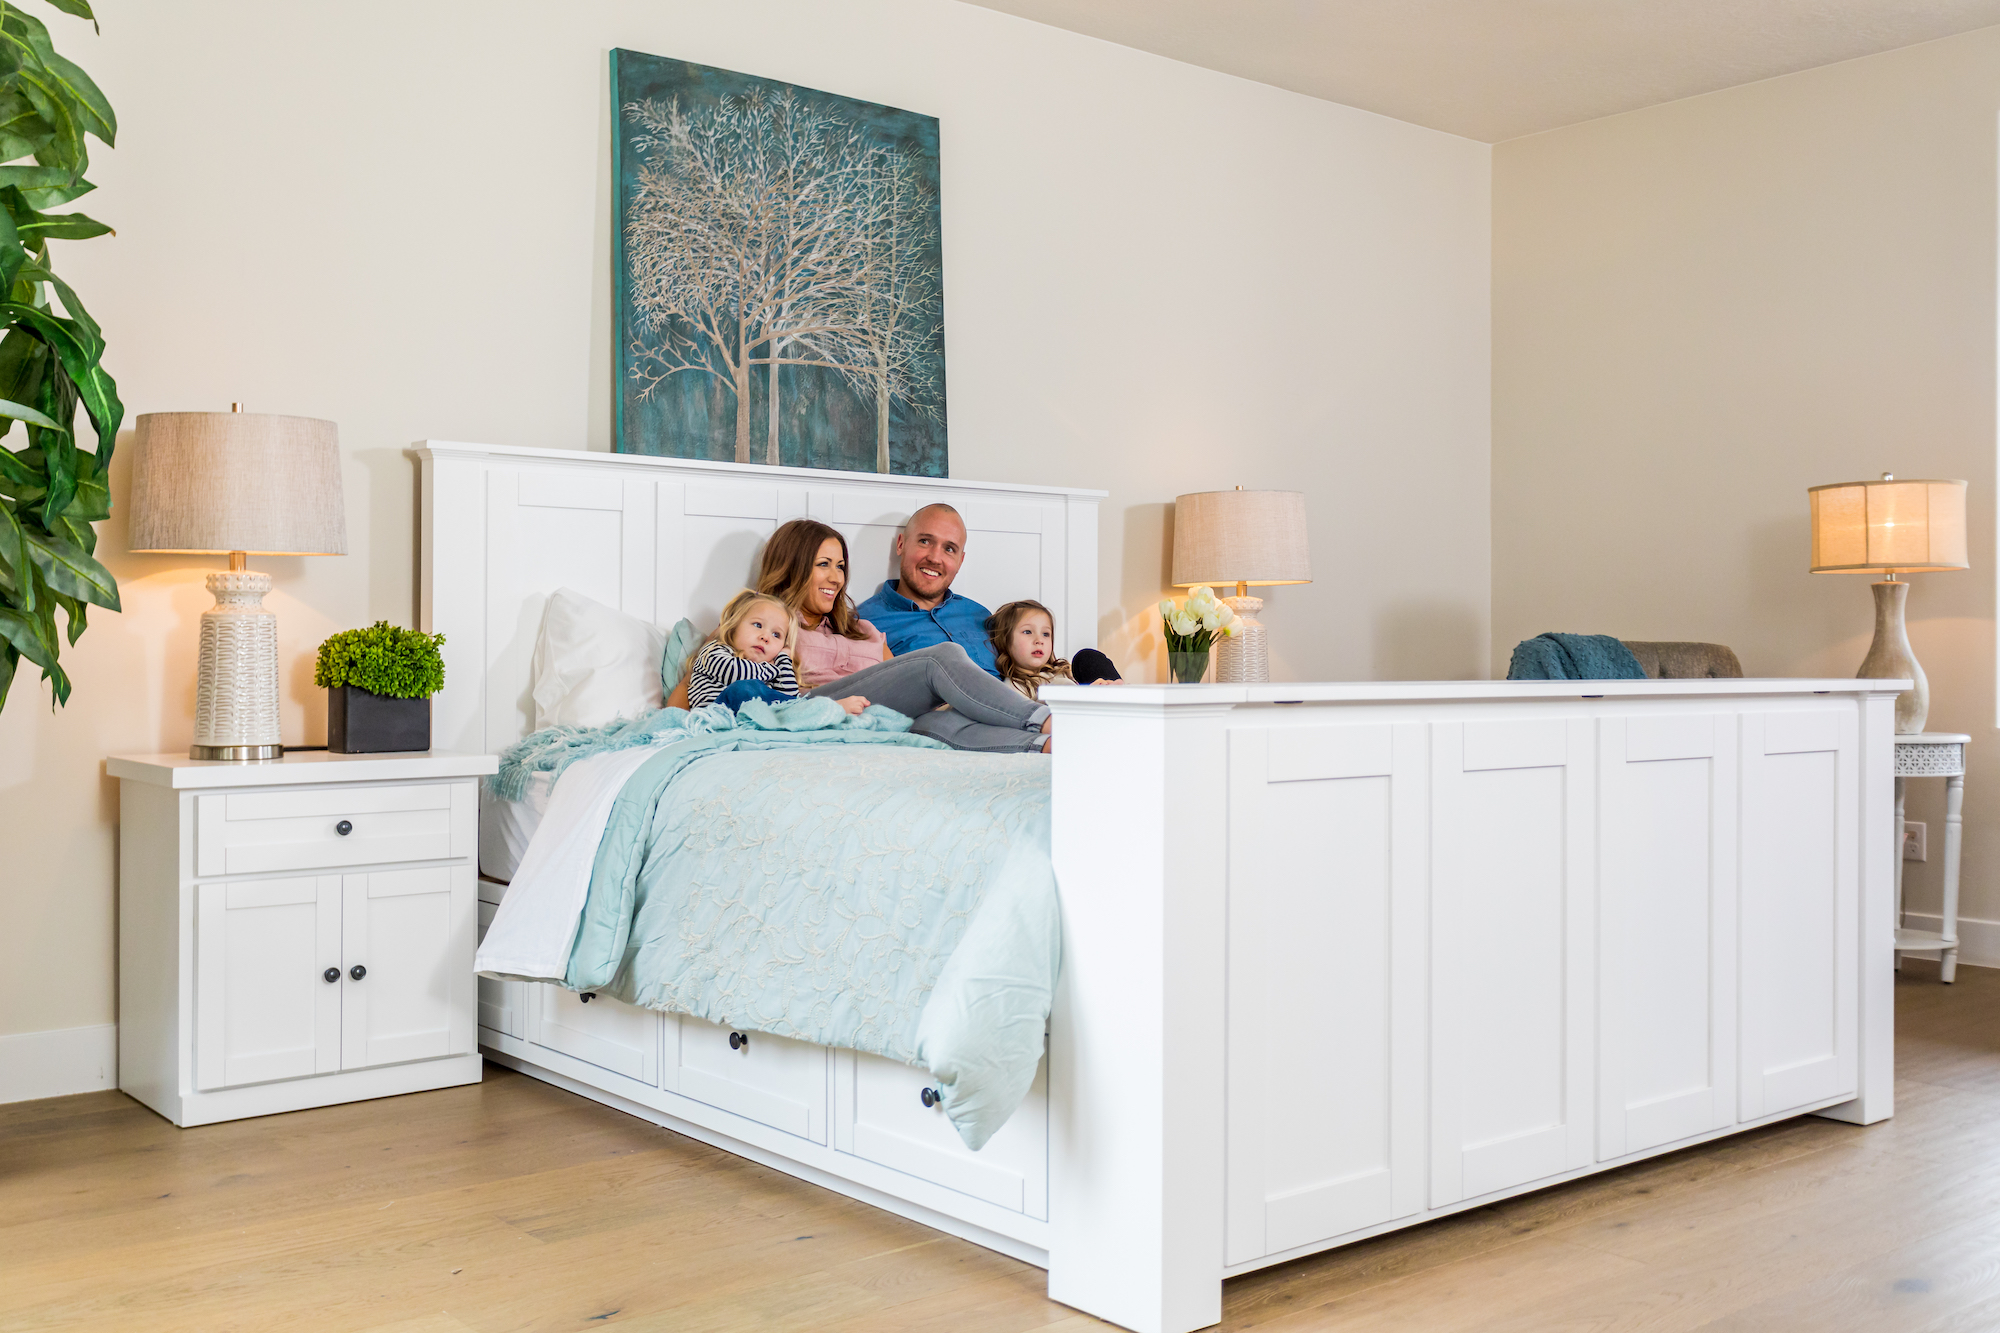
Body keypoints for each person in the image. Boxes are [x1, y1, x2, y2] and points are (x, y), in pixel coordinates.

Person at [742, 517, 1053, 753]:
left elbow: (898, 679)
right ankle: (1049, 721)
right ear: (792, 566)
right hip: (818, 708)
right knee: (940, 658)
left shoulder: (863, 628)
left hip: (879, 719)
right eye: (823, 564)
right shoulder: (764, 623)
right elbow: (704, 685)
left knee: (934, 723)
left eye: (840, 566)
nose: (836, 577)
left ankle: (1045, 745)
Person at [855, 503, 1003, 676]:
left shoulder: (982, 616)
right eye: (925, 541)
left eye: (949, 549)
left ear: (960, 561)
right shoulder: (863, 624)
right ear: (901, 544)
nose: (934, 558)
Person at [687, 589, 866, 716]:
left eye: (776, 635)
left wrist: (783, 659)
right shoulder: (714, 651)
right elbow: (735, 673)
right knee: (742, 689)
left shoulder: (770, 666)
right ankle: (820, 709)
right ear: (734, 626)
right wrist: (773, 669)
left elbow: (789, 697)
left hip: (751, 721)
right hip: (717, 715)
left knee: (784, 709)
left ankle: (816, 714)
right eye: (757, 625)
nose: (766, 637)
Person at [987, 599, 1072, 700]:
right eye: (1027, 632)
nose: (1039, 640)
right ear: (1005, 640)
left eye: (1045, 634)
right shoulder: (1013, 687)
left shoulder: (1063, 673)